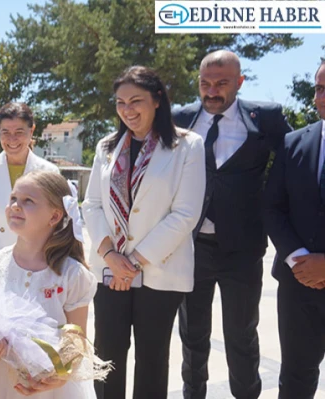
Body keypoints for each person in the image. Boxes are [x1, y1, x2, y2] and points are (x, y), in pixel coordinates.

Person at [172, 50, 292, 399]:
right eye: (204, 84)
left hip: (243, 250)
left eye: (221, 83)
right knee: (192, 335)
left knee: (241, 334)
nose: (211, 92)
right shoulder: (181, 118)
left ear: (239, 82)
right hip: (192, 248)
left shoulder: (265, 119)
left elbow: (295, 159)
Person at [82, 66, 205, 399]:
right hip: (110, 270)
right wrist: (111, 256)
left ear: (157, 100)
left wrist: (133, 261)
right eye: (120, 102)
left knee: (152, 357)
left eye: (136, 101)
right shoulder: (107, 147)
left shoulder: (187, 146)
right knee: (107, 353)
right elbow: (91, 204)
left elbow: (185, 213)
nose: (127, 110)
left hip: (159, 272)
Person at [0, 170, 97, 399]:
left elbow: (76, 339)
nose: (15, 206)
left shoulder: (71, 275)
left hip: (50, 390)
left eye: (28, 201)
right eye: (13, 199)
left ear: (54, 216)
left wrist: (61, 374)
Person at [264, 59, 325, 399]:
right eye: (318, 88)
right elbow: (272, 207)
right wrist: (301, 260)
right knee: (296, 380)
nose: (321, 96)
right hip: (297, 283)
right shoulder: (292, 143)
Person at [0, 102, 60, 258]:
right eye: (5, 132)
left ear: (31, 131)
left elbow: (56, 224)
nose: (12, 139)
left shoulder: (49, 172)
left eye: (19, 131)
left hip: (37, 263)